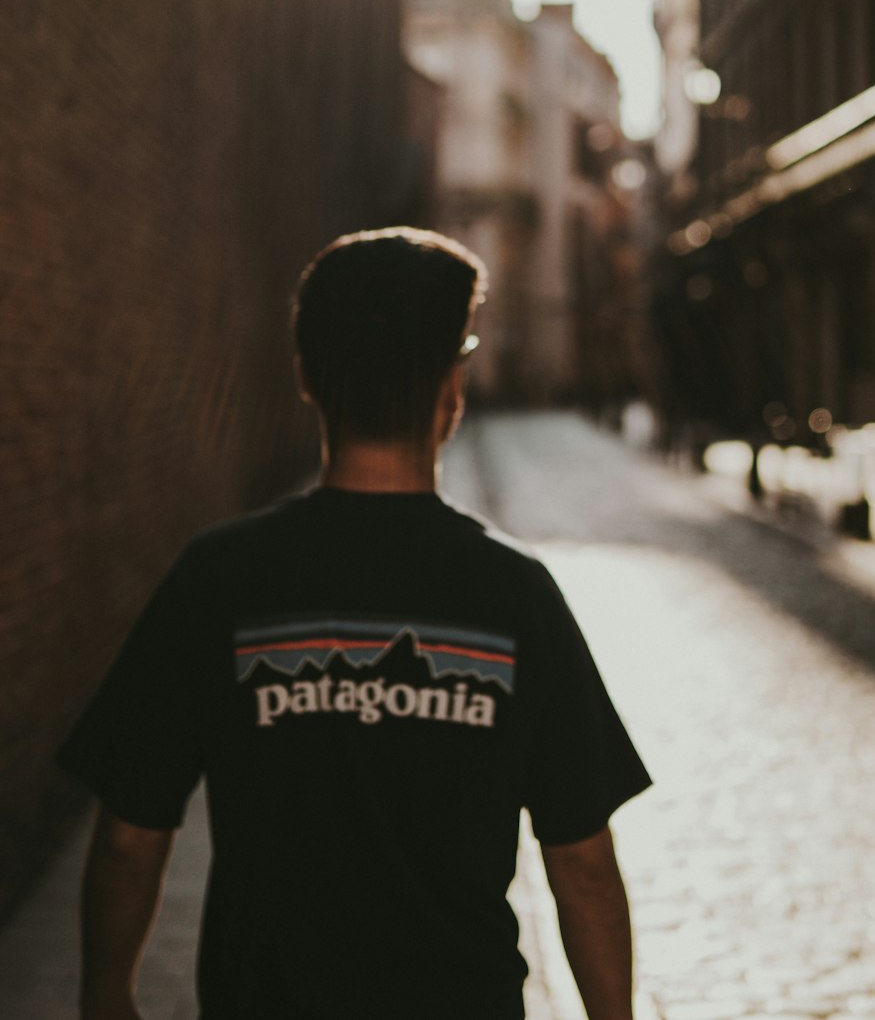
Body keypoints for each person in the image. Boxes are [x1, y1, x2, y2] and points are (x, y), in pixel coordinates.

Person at [59, 227, 651, 1020]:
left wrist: (105, 998)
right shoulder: (516, 597)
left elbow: (130, 834)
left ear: (306, 378)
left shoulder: (219, 578)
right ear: (454, 386)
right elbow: (581, 861)